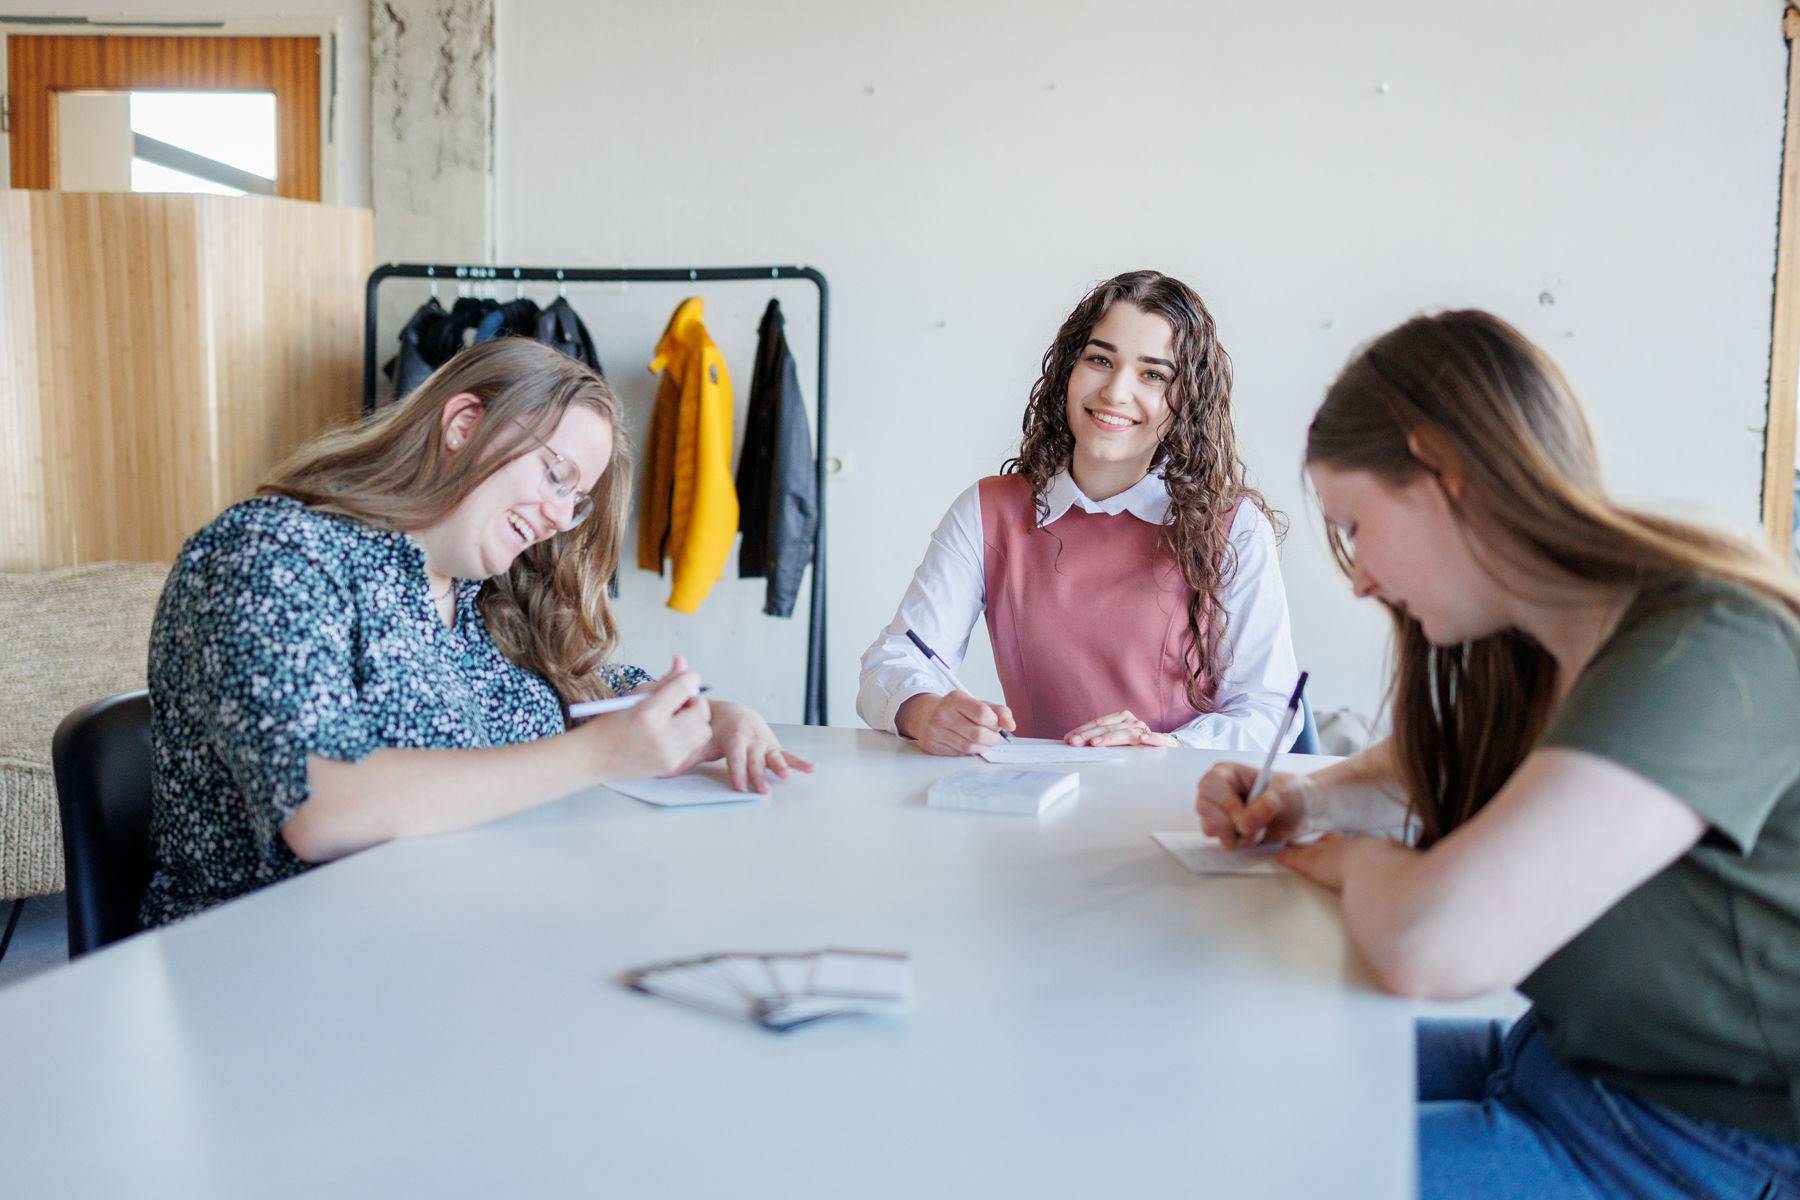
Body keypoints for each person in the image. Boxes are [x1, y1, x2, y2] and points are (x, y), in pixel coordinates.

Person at [1196, 310, 1800, 1198]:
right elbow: (1425, 768)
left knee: (1242, 1174)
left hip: (1697, 1145)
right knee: (1206, 1100)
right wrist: (1309, 800)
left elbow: (1429, 942)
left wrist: (1357, 863)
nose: (1357, 579)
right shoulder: (1551, 647)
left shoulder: (1709, 647)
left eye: (1355, 526)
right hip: (1558, 1063)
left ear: (1444, 468)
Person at [141, 338, 812, 927]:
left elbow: (581, 705)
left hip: (448, 943)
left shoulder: (477, 600)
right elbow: (322, 808)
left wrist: (712, 718)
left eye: (574, 504)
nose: (557, 517)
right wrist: (603, 754)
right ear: (464, 423)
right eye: (555, 476)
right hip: (274, 979)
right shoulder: (272, 554)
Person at [856, 270, 1300, 756]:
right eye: (1100, 360)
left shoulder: (1233, 527)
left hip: (1180, 805)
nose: (1114, 392)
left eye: (1153, 374)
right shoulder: (987, 513)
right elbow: (893, 663)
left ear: (1186, 400)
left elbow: (1269, 710)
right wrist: (925, 712)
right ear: (1069, 369)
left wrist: (1166, 747)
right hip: (1035, 805)